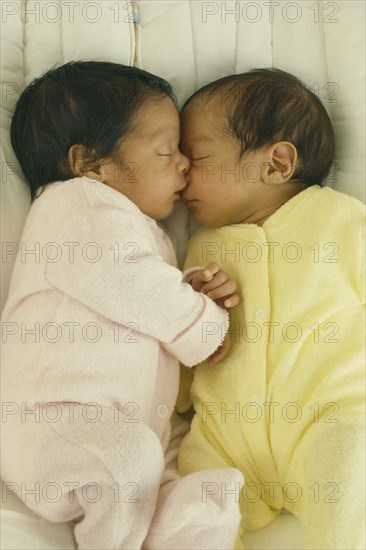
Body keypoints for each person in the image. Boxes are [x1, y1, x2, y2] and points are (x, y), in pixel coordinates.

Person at [1, 61, 244, 550]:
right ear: (91, 165)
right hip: (53, 427)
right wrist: (202, 322)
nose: (183, 164)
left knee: (206, 491)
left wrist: (191, 289)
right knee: (129, 461)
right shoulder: (76, 205)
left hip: (131, 426)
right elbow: (133, 285)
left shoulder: (126, 224)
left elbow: (137, 291)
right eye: (164, 150)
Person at [177, 68, 365, 549]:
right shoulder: (200, 251)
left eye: (196, 156)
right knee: (191, 510)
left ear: (277, 163)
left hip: (328, 419)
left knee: (350, 481)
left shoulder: (340, 221)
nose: (180, 170)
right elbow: (175, 348)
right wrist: (192, 305)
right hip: (224, 438)